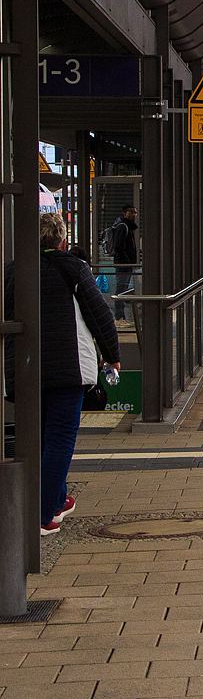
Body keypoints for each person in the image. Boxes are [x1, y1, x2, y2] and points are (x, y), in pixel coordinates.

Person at [4, 212, 121, 535]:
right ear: (62, 240)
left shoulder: (12, 271)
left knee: (40, 437)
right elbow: (99, 314)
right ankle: (42, 515)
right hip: (68, 368)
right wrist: (112, 356)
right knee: (60, 438)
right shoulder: (73, 267)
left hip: (24, 370)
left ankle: (56, 501)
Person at [109, 204, 138, 321]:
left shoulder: (127, 227)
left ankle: (121, 316)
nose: (134, 215)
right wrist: (126, 261)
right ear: (125, 214)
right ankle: (119, 317)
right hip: (123, 264)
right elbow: (119, 246)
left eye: (135, 212)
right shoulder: (123, 227)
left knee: (123, 289)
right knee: (121, 289)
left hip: (126, 264)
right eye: (131, 212)